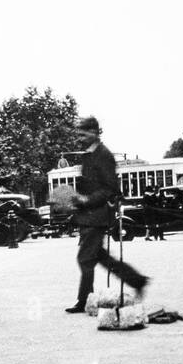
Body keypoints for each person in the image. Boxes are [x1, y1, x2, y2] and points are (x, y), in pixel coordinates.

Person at [65, 117, 149, 313]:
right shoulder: (89, 155)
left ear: (95, 132)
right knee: (99, 256)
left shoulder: (103, 155)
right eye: (78, 133)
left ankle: (85, 300)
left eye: (83, 133)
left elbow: (110, 188)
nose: (79, 137)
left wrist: (86, 200)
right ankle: (137, 280)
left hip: (97, 214)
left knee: (85, 258)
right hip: (89, 214)